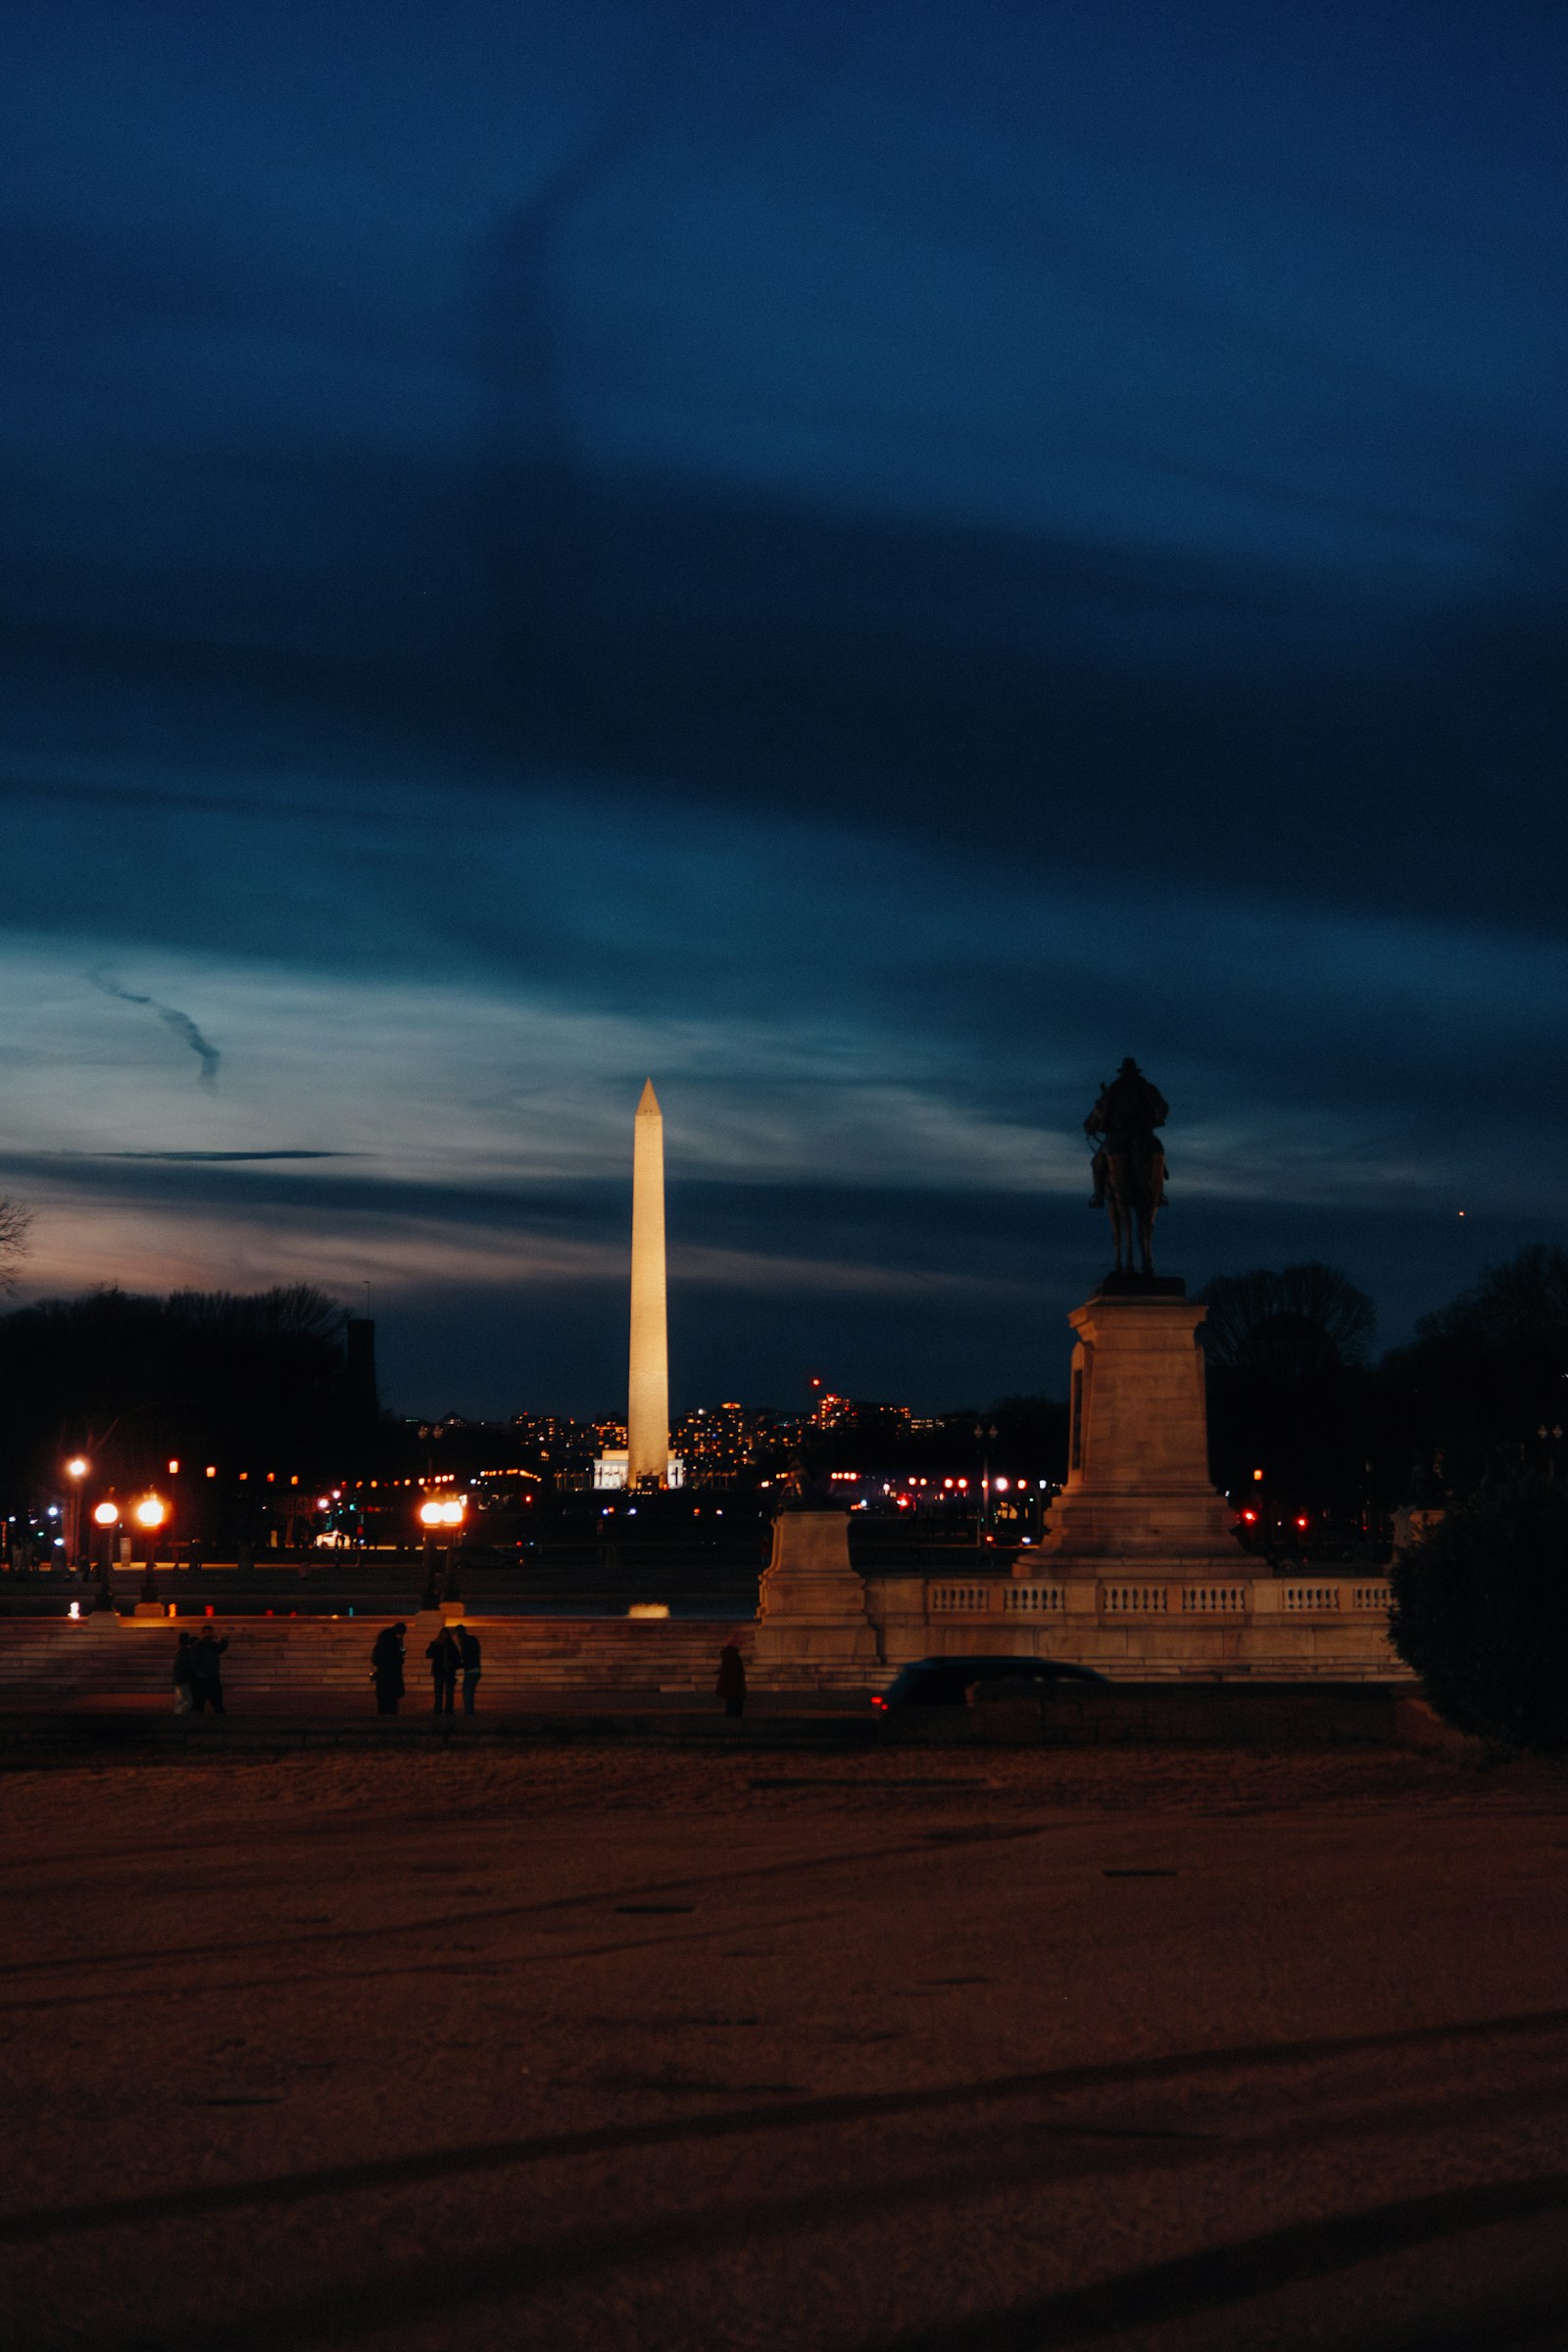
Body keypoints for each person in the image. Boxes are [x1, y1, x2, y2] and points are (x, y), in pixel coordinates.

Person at [191, 1627, 229, 1714]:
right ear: (203, 1633)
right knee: (211, 1701)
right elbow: (195, 1661)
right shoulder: (202, 1645)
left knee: (212, 1701)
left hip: (208, 1676)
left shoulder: (206, 1645)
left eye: (211, 1632)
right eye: (208, 1632)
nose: (210, 1634)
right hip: (206, 1677)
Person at [370, 1621, 406, 1715]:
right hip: (392, 1672)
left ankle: (383, 1712)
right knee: (391, 1696)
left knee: (383, 1695)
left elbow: (375, 1658)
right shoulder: (395, 1643)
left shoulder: (381, 1643)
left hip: (383, 1671)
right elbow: (401, 1653)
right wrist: (402, 1648)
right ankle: (391, 1712)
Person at [425, 1625, 459, 1714]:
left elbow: (456, 1657)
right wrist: (435, 1645)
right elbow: (429, 1654)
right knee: (439, 1692)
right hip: (439, 1670)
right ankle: (438, 1709)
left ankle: (448, 1709)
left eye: (445, 1634)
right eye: (443, 1634)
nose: (444, 1636)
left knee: (449, 1692)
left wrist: (451, 1664)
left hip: (448, 1671)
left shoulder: (451, 1645)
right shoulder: (436, 1643)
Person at [453, 1622, 481, 1715]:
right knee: (469, 1691)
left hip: (470, 1669)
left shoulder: (466, 1642)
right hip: (475, 1668)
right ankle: (469, 1710)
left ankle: (469, 1711)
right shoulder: (472, 1640)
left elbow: (466, 1658)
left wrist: (456, 1665)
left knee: (467, 1691)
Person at [716, 1637, 747, 1721]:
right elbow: (734, 1671)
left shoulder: (729, 1655)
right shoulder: (732, 1655)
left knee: (731, 1705)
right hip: (734, 1686)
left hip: (731, 1686)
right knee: (734, 1706)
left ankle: (732, 1719)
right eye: (739, 1644)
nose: (740, 1646)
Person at [172, 1632, 195, 1715]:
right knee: (187, 1701)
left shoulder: (180, 1651)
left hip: (179, 1679)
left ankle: (177, 1715)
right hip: (183, 1679)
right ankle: (180, 1716)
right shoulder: (185, 1651)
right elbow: (186, 1666)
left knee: (180, 1700)